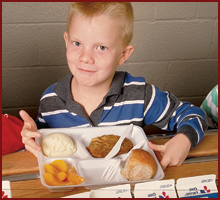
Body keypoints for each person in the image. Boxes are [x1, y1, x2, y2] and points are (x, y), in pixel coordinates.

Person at [19, 2, 207, 170]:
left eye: (101, 47)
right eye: (77, 43)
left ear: (124, 54)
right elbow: (40, 145)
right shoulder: (51, 101)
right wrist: (31, 139)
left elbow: (194, 115)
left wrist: (184, 140)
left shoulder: (140, 96)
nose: (85, 58)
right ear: (66, 41)